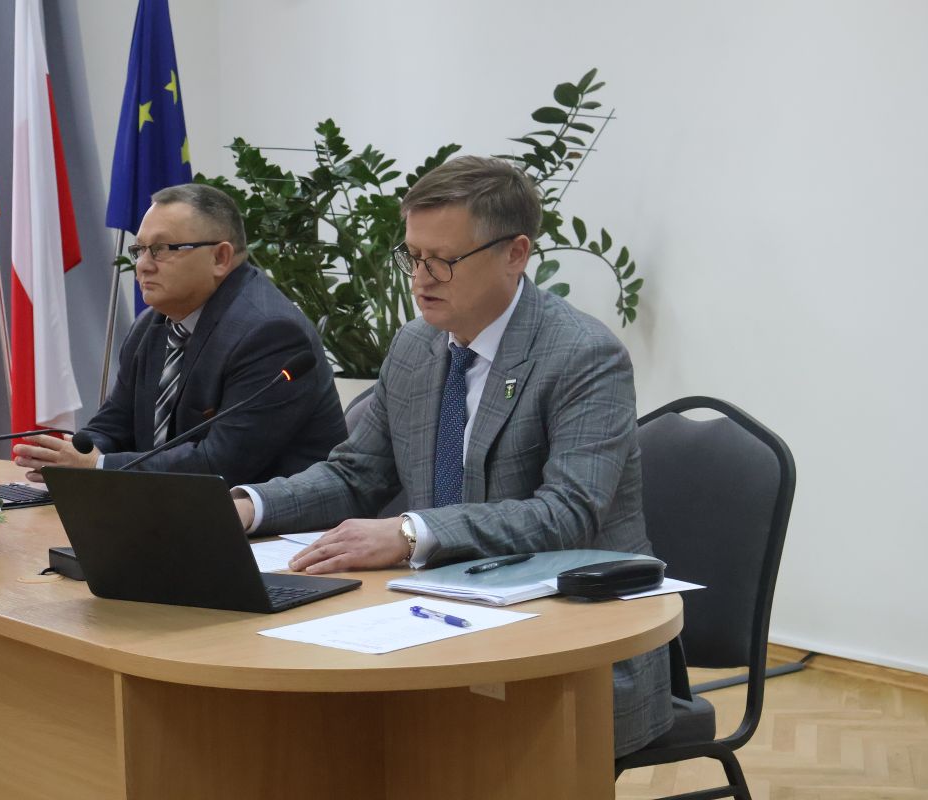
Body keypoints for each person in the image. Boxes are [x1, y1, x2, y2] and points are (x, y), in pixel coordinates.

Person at [232, 156, 671, 756]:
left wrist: (410, 533)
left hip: (571, 639)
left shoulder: (582, 354)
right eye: (412, 256)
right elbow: (357, 474)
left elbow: (568, 513)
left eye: (443, 259)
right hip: (431, 613)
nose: (421, 278)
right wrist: (246, 507)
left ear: (515, 253)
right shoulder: (416, 345)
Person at [14, 183, 346, 484]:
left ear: (220, 257)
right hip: (171, 511)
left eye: (161, 249)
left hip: (271, 524)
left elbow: (221, 463)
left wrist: (97, 466)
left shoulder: (270, 334)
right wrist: (71, 455)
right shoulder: (152, 325)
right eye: (140, 249)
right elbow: (114, 424)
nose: (143, 265)